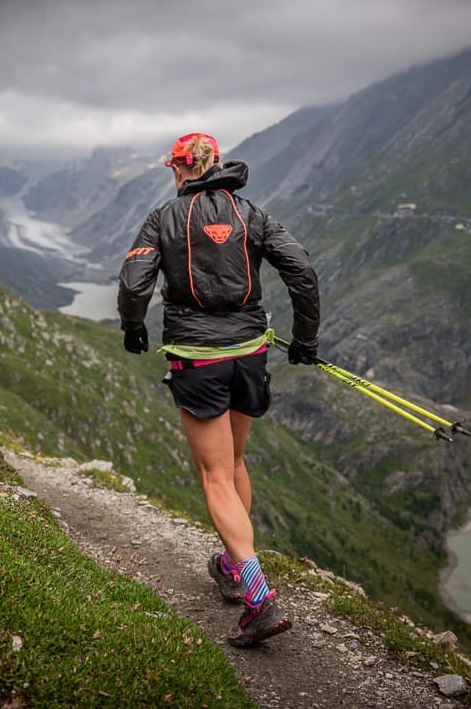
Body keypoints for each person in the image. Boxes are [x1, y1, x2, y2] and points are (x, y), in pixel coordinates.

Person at [117, 131, 321, 647]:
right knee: (233, 465)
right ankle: (233, 568)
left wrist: (134, 327)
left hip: (198, 358)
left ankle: (259, 597)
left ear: (178, 168)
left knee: (214, 476)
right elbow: (300, 269)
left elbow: (135, 282)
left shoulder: (163, 218)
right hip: (250, 352)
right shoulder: (251, 213)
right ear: (216, 163)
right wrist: (304, 340)